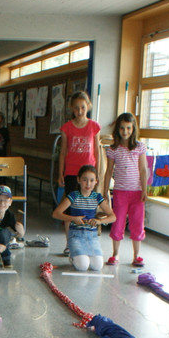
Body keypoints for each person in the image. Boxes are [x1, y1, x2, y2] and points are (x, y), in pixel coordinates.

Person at [102, 112, 149, 266]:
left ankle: (137, 255)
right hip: (120, 193)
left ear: (133, 129)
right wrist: (105, 191)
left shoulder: (139, 147)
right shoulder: (113, 149)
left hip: (137, 193)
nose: (125, 131)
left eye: (128, 128)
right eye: (122, 128)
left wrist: (144, 190)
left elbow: (143, 169)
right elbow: (109, 171)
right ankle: (115, 254)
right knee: (118, 223)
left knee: (137, 224)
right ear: (118, 129)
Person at [52, 165, 115, 271]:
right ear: (78, 180)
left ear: (96, 181)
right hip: (76, 236)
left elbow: (113, 217)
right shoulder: (73, 195)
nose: (88, 184)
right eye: (84, 180)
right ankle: (73, 256)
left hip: (92, 237)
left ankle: (84, 255)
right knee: (82, 266)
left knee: (97, 266)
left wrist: (99, 221)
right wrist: (73, 218)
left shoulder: (97, 197)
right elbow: (56, 213)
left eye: (91, 180)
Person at [57, 91, 104, 197]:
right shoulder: (66, 128)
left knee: (86, 201)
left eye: (83, 107)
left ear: (88, 106)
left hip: (88, 172)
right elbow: (63, 152)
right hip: (71, 171)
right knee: (72, 200)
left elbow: (97, 151)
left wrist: (97, 172)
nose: (80, 111)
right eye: (76, 108)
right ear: (72, 108)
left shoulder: (94, 127)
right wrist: (60, 173)